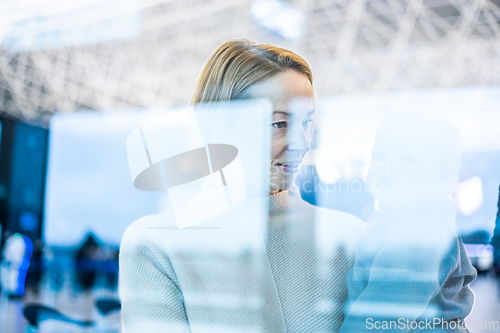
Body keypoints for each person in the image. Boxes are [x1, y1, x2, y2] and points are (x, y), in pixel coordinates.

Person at [119, 39, 365, 332]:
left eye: (306, 122)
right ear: (220, 127)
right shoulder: (157, 246)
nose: (303, 144)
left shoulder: (349, 238)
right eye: (280, 124)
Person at [339, 111, 476, 333]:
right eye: (379, 155)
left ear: (443, 180)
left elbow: (384, 312)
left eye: (406, 158)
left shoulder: (422, 224)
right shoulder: (403, 218)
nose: (386, 166)